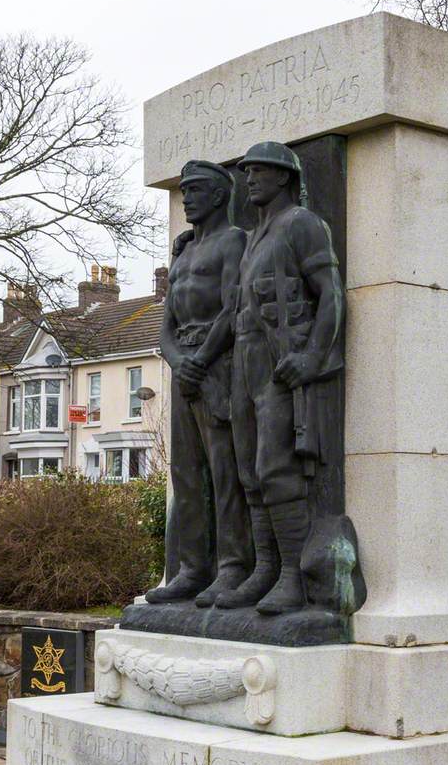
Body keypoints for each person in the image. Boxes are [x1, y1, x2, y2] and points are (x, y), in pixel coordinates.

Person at [217, 141, 343, 615]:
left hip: (279, 360)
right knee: (249, 473)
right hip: (244, 361)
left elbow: (330, 295)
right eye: (246, 170)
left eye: (259, 171)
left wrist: (312, 357)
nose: (248, 178)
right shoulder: (252, 236)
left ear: (284, 177)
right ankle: (264, 569)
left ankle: (293, 574)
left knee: (276, 468)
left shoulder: (303, 224)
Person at [146, 160, 250, 607]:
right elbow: (165, 326)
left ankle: (232, 567)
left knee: (225, 471)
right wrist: (178, 360)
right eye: (183, 189)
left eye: (195, 189)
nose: (185, 196)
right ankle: (192, 568)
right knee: (186, 473)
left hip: (219, 366)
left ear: (219, 195)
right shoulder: (183, 253)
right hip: (184, 367)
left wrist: (201, 360)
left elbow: (233, 307)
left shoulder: (234, 241)